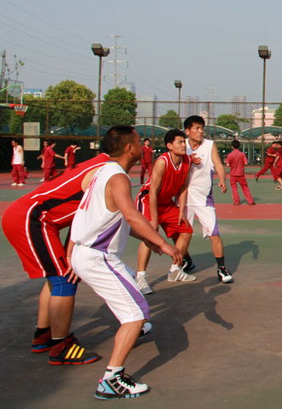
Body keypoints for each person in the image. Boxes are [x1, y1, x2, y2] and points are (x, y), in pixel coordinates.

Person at [70, 125, 182, 400]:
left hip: (89, 253)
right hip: (98, 257)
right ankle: (112, 379)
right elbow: (131, 215)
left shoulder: (102, 172)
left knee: (131, 285)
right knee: (136, 312)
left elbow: (113, 219)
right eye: (139, 142)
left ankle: (134, 330)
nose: (143, 147)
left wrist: (148, 240)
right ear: (130, 148)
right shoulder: (118, 177)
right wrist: (163, 243)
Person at [2, 151, 109, 365]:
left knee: (57, 276)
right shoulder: (105, 171)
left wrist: (70, 253)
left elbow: (81, 218)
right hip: (33, 219)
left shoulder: (97, 164)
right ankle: (61, 347)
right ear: (128, 147)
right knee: (64, 280)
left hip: (30, 217)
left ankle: (43, 335)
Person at [134, 129, 195, 294]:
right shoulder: (162, 162)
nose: (184, 145)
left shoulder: (187, 160)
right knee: (149, 234)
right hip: (148, 200)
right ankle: (140, 277)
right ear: (169, 145)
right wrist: (154, 219)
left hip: (167, 203)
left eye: (184, 142)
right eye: (180, 142)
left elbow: (183, 187)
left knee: (186, 230)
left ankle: (175, 270)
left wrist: (181, 210)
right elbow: (153, 191)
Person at [183, 115, 233, 284]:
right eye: (196, 128)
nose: (200, 131)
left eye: (202, 128)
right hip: (184, 197)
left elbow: (218, 164)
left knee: (214, 233)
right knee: (181, 234)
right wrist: (188, 160)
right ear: (187, 131)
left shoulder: (210, 145)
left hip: (204, 199)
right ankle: (185, 260)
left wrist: (222, 179)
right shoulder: (182, 145)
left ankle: (222, 268)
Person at [226, 139, 255, 205]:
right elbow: (246, 163)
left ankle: (236, 201)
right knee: (245, 187)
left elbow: (227, 164)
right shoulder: (242, 154)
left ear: (232, 147)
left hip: (233, 174)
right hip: (241, 174)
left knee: (234, 188)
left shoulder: (230, 155)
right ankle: (250, 201)